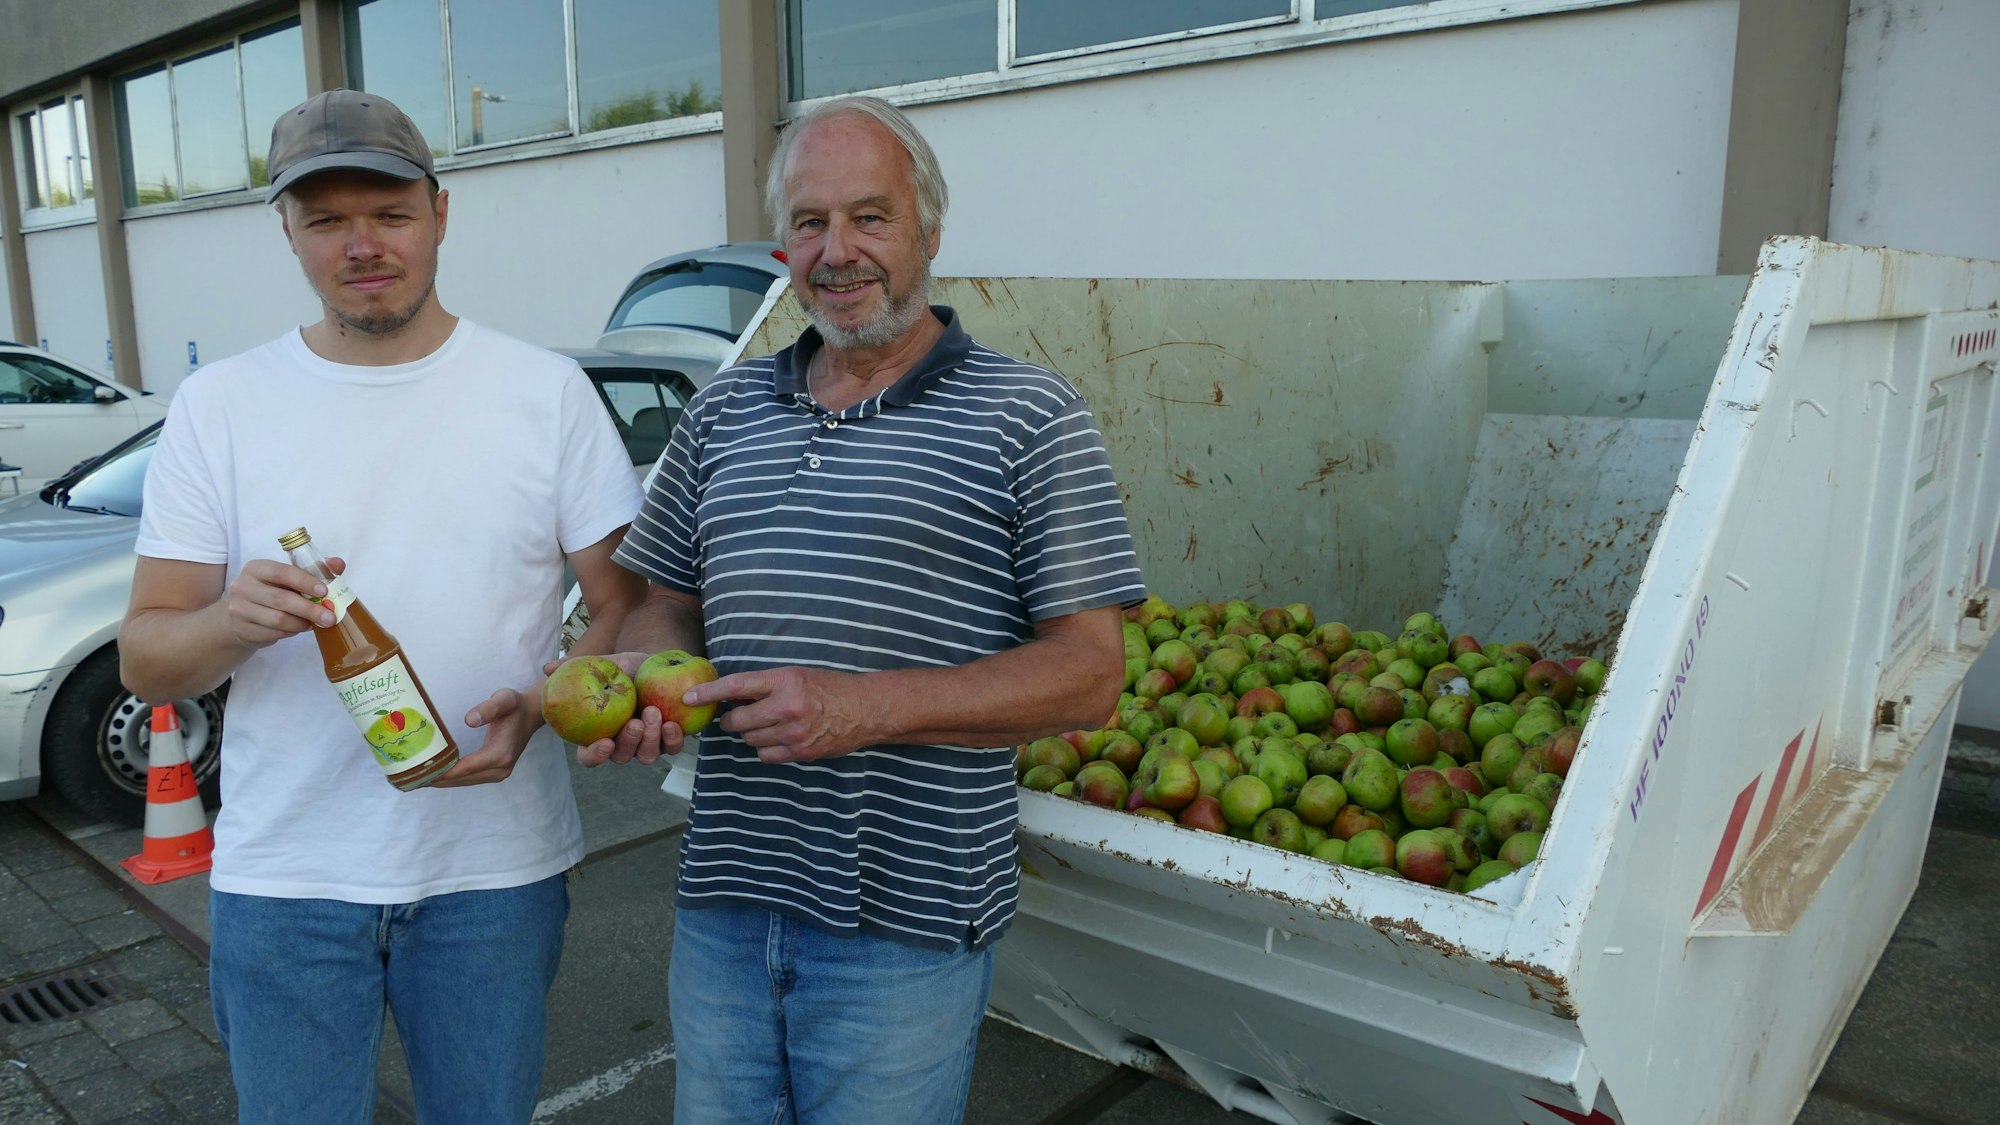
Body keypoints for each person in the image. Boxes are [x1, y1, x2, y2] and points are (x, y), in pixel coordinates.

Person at [587, 95, 1147, 1123]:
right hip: (724, 899)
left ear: (928, 231)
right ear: (779, 246)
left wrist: (860, 709)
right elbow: (664, 603)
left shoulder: (1028, 415)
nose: (837, 251)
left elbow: (1089, 673)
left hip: (906, 921)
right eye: (809, 223)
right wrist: (642, 680)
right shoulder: (724, 408)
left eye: (868, 217)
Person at [118, 90, 645, 1124]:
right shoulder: (219, 407)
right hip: (286, 878)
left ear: (440, 213)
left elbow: (626, 611)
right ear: (287, 233)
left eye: (390, 213)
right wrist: (229, 620)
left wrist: (543, 705)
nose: (362, 244)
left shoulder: (543, 394)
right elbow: (146, 657)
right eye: (325, 220)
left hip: (493, 870)